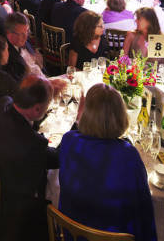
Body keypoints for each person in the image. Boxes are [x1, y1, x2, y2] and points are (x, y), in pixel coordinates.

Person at [57, 83, 156, 240]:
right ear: (121, 115)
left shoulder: (69, 141)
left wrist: (78, 118)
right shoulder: (127, 155)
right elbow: (143, 211)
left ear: (86, 113)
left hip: (72, 234)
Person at [0, 76, 58, 241]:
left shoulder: (2, 103)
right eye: (46, 106)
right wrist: (78, 121)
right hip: (6, 211)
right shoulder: (33, 143)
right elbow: (58, 158)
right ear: (36, 109)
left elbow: (24, 123)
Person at [3, 12, 42, 81]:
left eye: (27, 31)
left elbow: (37, 65)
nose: (25, 37)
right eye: (20, 34)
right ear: (9, 33)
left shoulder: (23, 42)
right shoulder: (6, 54)